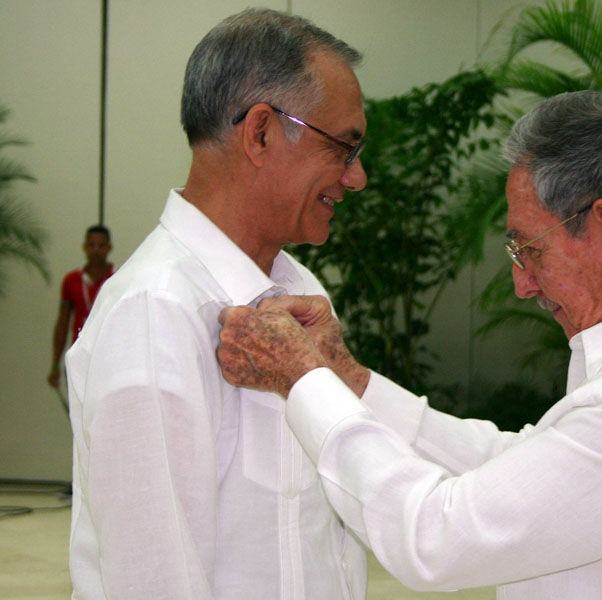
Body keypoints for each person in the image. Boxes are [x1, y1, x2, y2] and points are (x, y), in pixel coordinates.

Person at [217, 91, 602, 599]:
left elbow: (437, 538)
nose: (521, 284)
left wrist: (303, 381)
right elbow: (528, 468)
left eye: (528, 248)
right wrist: (349, 380)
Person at [65, 9, 368, 599]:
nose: (355, 178)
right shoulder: (155, 314)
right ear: (260, 132)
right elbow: (156, 579)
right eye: (344, 148)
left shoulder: (300, 290)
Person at [47, 224, 113, 389]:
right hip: (79, 355)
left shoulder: (117, 277)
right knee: (79, 410)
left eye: (101, 245)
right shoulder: (72, 280)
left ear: (109, 248)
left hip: (109, 356)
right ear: (84, 247)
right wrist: (55, 363)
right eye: (91, 245)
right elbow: (63, 323)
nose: (96, 250)